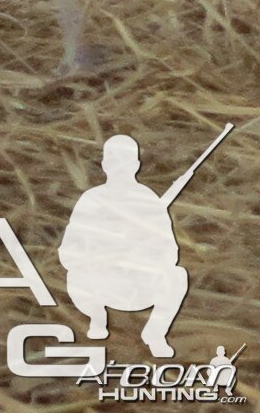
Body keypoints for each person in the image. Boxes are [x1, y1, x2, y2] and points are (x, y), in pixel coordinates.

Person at [61, 132, 199, 359]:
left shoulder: (148, 200)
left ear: (135, 164)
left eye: (125, 161)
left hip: (138, 285)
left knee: (177, 276)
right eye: (114, 161)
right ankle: (97, 319)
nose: (120, 167)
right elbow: (68, 250)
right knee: (75, 275)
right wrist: (101, 253)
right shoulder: (91, 200)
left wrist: (142, 251)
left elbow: (170, 252)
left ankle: (155, 334)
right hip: (99, 283)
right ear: (105, 164)